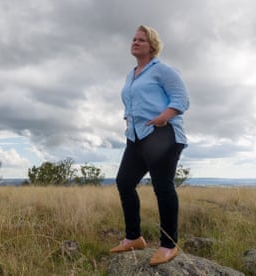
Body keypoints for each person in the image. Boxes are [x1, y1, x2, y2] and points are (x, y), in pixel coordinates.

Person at [110, 25, 190, 266]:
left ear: (152, 45)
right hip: (136, 136)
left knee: (162, 187)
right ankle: (134, 237)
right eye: (134, 39)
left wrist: (163, 117)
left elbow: (182, 99)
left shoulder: (163, 71)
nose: (135, 42)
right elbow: (130, 102)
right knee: (124, 182)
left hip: (162, 134)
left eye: (141, 40)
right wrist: (127, 119)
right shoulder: (131, 74)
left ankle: (168, 245)